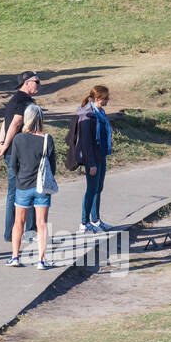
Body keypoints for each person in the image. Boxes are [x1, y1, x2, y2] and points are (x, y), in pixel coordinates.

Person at [6, 103, 57, 270]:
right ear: (40, 119)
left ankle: (15, 256)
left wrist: (21, 176)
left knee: (18, 222)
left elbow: (13, 165)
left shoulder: (18, 139)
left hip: (23, 185)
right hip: (42, 187)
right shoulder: (47, 139)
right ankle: (41, 260)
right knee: (42, 223)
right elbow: (53, 167)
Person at [0, 71, 40, 244]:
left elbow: (4, 123)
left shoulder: (14, 99)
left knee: (13, 194)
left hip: (12, 153)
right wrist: (6, 144)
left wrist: (2, 143)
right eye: (37, 81)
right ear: (27, 83)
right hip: (21, 154)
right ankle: (30, 232)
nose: (39, 84)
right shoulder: (24, 101)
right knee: (28, 192)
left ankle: (10, 233)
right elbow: (14, 123)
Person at [76, 85, 113, 233]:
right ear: (98, 99)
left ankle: (96, 220)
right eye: (106, 98)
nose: (108, 100)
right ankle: (84, 223)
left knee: (99, 188)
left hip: (101, 154)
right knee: (91, 190)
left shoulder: (100, 111)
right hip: (93, 158)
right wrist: (91, 164)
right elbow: (86, 142)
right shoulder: (88, 115)